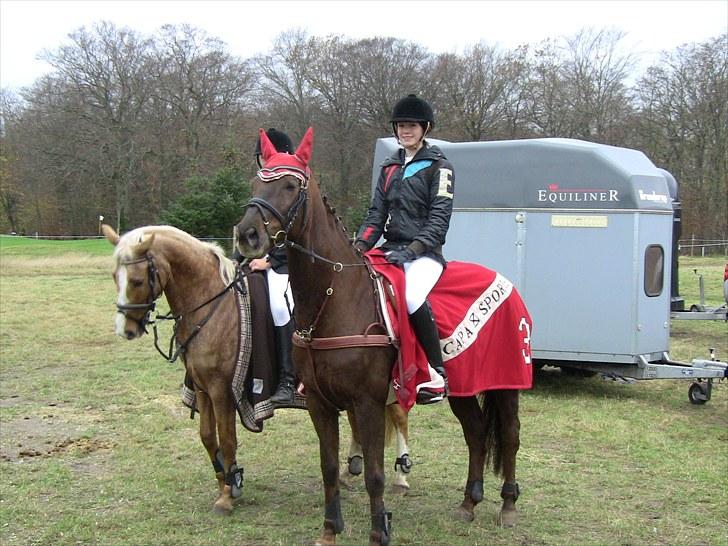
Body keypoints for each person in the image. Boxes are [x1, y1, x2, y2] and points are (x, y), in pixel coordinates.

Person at [355, 94, 454, 404]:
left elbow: (439, 220)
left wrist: (412, 251)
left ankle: (436, 374)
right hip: (391, 249)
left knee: (410, 297)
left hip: (425, 253)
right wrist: (358, 246)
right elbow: (375, 215)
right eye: (400, 126)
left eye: (411, 126)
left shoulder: (440, 167)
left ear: (424, 128)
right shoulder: (389, 167)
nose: (404, 131)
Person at [242, 128, 298, 406]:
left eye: (269, 156)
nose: (266, 162)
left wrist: (270, 261)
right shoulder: (261, 185)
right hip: (259, 261)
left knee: (279, 304)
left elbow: (296, 232)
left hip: (287, 265)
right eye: (262, 157)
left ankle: (289, 378)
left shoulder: (291, 185)